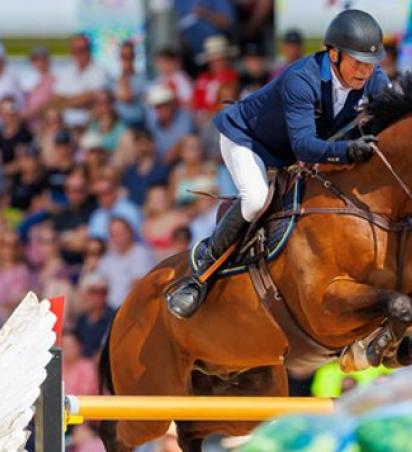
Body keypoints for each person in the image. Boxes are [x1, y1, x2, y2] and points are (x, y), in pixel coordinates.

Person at [166, 10, 390, 318]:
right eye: (357, 62)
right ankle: (200, 274)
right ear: (334, 54)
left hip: (291, 150)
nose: (365, 71)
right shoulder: (302, 79)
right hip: (248, 140)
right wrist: (349, 151)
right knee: (256, 199)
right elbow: (305, 147)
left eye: (370, 63)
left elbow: (395, 118)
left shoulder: (375, 80)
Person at [96, 217, 155, 309]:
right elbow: (99, 284)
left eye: (120, 233)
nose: (118, 238)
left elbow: (137, 286)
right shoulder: (107, 258)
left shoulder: (141, 253)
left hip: (133, 308)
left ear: (130, 232)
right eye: (113, 235)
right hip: (109, 309)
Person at [53, 34, 108, 127]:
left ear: (89, 49)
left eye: (82, 49)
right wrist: (80, 100)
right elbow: (56, 98)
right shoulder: (65, 71)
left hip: (90, 125)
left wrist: (65, 101)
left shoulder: (100, 71)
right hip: (64, 125)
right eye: (75, 49)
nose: (78, 53)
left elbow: (91, 98)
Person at [74, 273, 116, 357]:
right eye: (93, 292)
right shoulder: (81, 320)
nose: (98, 296)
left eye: (103, 292)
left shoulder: (114, 318)